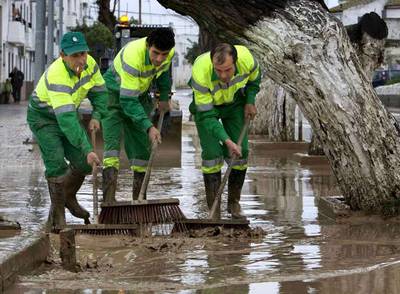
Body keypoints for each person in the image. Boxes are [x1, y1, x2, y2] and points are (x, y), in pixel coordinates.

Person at [27, 32, 108, 231]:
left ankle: (68, 196)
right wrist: (88, 148)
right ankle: (58, 219)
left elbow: (100, 93)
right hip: (44, 119)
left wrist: (97, 115)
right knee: (57, 166)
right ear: (63, 55)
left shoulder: (91, 65)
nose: (81, 60)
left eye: (83, 54)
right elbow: (68, 122)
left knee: (84, 164)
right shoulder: (57, 75)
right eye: (75, 56)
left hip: (68, 114)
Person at [101, 27, 175, 202]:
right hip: (114, 97)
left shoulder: (168, 54)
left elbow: (163, 74)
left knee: (142, 150)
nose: (159, 59)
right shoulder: (133, 56)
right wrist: (149, 127)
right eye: (155, 53)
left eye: (164, 55)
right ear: (148, 45)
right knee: (111, 150)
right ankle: (109, 203)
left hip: (139, 96)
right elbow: (127, 101)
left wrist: (164, 97)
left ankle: (139, 202)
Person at [189, 43, 260, 219]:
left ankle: (234, 204)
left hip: (234, 103)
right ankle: (214, 211)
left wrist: (250, 100)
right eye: (218, 70)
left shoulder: (247, 60)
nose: (223, 75)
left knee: (241, 154)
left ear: (235, 62)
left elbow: (254, 80)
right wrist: (227, 141)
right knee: (212, 156)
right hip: (207, 109)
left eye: (227, 70)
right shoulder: (200, 71)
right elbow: (207, 117)